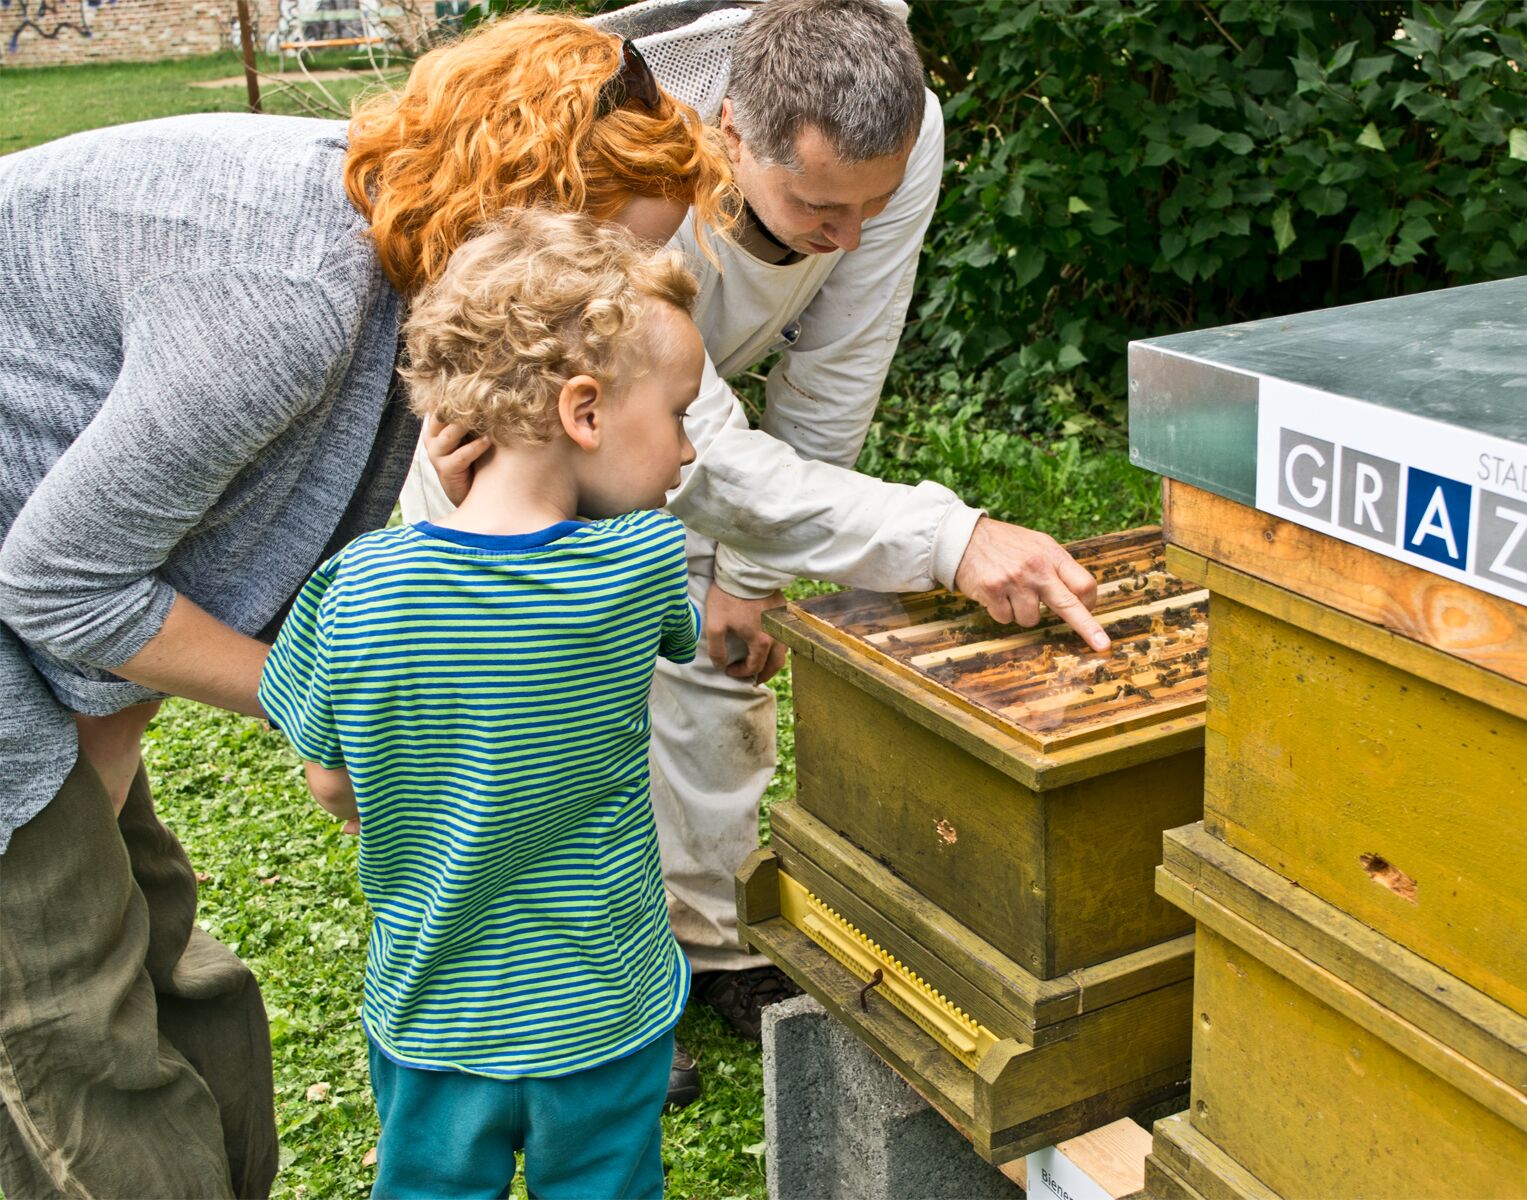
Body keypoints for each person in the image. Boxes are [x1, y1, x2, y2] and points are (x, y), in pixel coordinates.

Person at [0, 14, 730, 1196]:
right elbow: (60, 580)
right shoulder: (288, 294)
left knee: (173, 965)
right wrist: (343, 717)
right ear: (527, 229)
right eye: (607, 267)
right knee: (67, 1010)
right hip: (23, 571)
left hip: (39, 567)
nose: (616, 304)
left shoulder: (409, 287)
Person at [400, 0, 1111, 1104]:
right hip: (533, 414)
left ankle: (718, 945)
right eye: (822, 207)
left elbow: (837, 366)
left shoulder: (893, 133)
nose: (852, 237)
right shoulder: (625, 153)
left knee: (724, 669)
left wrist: (752, 581)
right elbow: (704, 455)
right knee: (536, 693)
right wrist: (947, 537)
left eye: (876, 202)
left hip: (670, 392)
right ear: (730, 134)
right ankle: (571, 998)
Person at [261, 209, 704, 1200]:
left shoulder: (355, 587)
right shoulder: (641, 566)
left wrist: (460, 504)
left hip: (433, 1019)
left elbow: (331, 785)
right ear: (584, 412)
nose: (682, 453)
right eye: (677, 414)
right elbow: (647, 596)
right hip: (603, 1013)